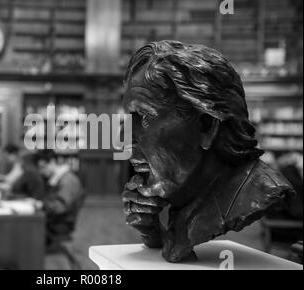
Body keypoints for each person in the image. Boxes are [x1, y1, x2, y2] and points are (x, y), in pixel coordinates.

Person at [121, 40, 294, 262]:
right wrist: (152, 230)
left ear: (206, 126)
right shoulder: (190, 190)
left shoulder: (261, 191)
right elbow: (174, 246)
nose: (125, 139)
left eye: (144, 117)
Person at [34, 150, 86, 250]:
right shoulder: (57, 178)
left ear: (53, 162)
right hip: (54, 219)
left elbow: (61, 207)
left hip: (59, 224)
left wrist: (41, 205)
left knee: (27, 226)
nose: (41, 171)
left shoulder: (67, 180)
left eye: (43, 167)